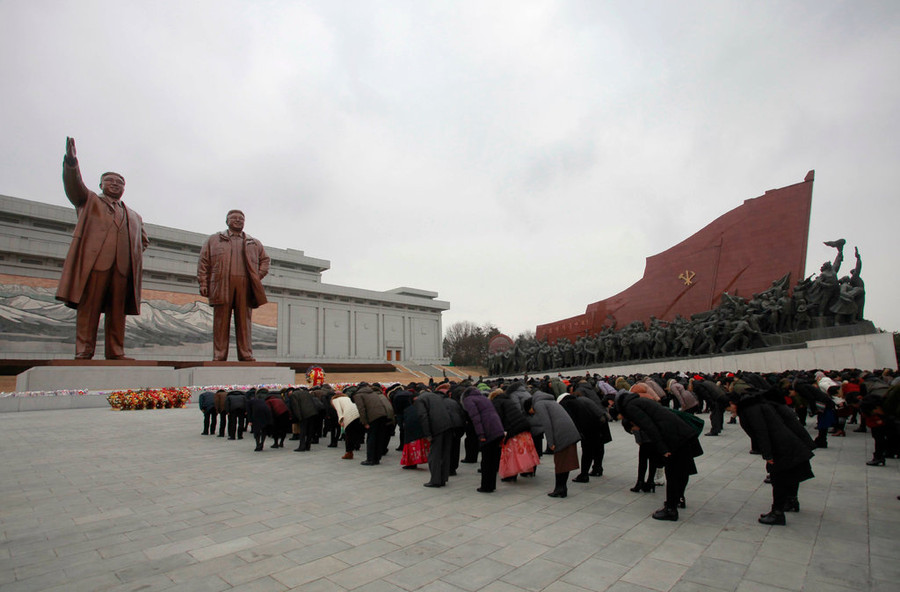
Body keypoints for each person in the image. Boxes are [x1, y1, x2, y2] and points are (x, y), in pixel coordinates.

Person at [56, 137, 149, 360]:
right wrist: (71, 163)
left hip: (122, 270)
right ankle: (84, 350)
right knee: (89, 309)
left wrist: (130, 254)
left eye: (120, 182)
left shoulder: (134, 216)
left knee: (117, 313)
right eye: (110, 181)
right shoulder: (89, 201)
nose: (116, 184)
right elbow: (74, 187)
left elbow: (143, 241)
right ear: (101, 185)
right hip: (96, 265)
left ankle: (116, 351)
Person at [728, 388, 816, 525]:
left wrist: (767, 454)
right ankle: (791, 500)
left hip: (781, 447)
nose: (730, 409)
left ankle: (777, 513)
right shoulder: (761, 403)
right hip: (790, 442)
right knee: (791, 474)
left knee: (778, 479)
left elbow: (761, 431)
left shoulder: (751, 409)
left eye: (730, 406)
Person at [616, 390, 704, 521]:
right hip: (682, 433)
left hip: (674, 438)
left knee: (673, 473)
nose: (637, 430)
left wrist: (662, 448)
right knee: (682, 471)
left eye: (634, 429)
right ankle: (677, 499)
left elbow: (650, 427)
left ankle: (671, 510)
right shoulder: (639, 401)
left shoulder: (630, 408)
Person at [197, 210, 270, 361]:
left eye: (241, 219)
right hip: (221, 284)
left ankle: (245, 354)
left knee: (244, 322)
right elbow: (204, 262)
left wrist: (256, 277)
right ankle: (219, 354)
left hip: (245, 286)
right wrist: (203, 283)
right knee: (221, 321)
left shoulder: (253, 242)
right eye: (234, 218)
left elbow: (265, 260)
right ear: (227, 221)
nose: (238, 221)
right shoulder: (213, 240)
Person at [525, 390, 581, 498]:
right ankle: (562, 488)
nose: (533, 413)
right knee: (565, 462)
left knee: (560, 462)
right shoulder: (549, 401)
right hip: (568, 431)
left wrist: (550, 442)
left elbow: (547, 423)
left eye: (531, 411)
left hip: (562, 433)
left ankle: (559, 489)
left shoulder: (539, 404)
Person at [462, 386, 505, 493]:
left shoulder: (468, 400)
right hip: (497, 428)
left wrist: (480, 434)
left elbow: (475, 418)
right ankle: (491, 485)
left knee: (486, 460)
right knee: (493, 459)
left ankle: (486, 486)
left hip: (488, 431)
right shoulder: (484, 398)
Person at [415, 387, 454, 487]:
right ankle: (443, 478)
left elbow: (423, 416)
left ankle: (435, 480)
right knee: (445, 454)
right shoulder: (436, 396)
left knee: (434, 455)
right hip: (448, 425)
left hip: (436, 428)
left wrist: (427, 434)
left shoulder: (420, 400)